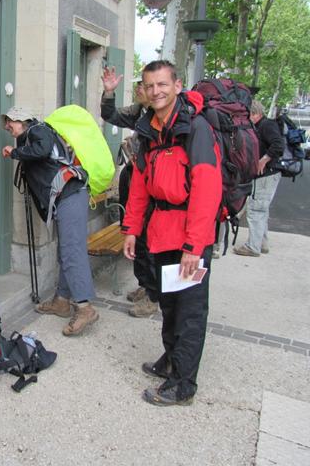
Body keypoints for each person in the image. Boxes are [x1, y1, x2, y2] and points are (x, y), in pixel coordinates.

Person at [122, 60, 222, 406]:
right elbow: (139, 186)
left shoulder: (196, 129)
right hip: (162, 232)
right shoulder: (149, 131)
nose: (156, 91)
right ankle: (171, 360)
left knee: (189, 310)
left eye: (163, 84)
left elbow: (207, 190)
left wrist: (194, 246)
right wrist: (132, 229)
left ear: (177, 85)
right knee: (169, 304)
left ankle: (183, 383)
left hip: (191, 235)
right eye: (150, 86)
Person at [1, 106, 99, 336]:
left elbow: (43, 151)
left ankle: (85, 308)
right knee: (65, 251)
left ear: (22, 119)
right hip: (66, 198)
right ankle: (62, 301)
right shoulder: (29, 137)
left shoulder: (38, 130)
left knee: (72, 251)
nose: (7, 127)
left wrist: (14, 153)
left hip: (71, 194)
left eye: (10, 122)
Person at [100, 69, 158, 318]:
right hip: (135, 179)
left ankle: (154, 296)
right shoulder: (139, 111)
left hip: (153, 187)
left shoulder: (164, 118)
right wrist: (109, 91)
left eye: (142, 86)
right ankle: (145, 286)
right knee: (136, 235)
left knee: (151, 241)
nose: (138, 89)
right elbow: (110, 114)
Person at [233, 100, 284, 257]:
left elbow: (278, 145)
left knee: (256, 210)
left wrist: (264, 159)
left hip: (267, 174)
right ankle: (261, 243)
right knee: (261, 210)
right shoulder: (263, 125)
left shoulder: (267, 125)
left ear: (255, 114)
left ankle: (253, 247)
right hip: (267, 174)